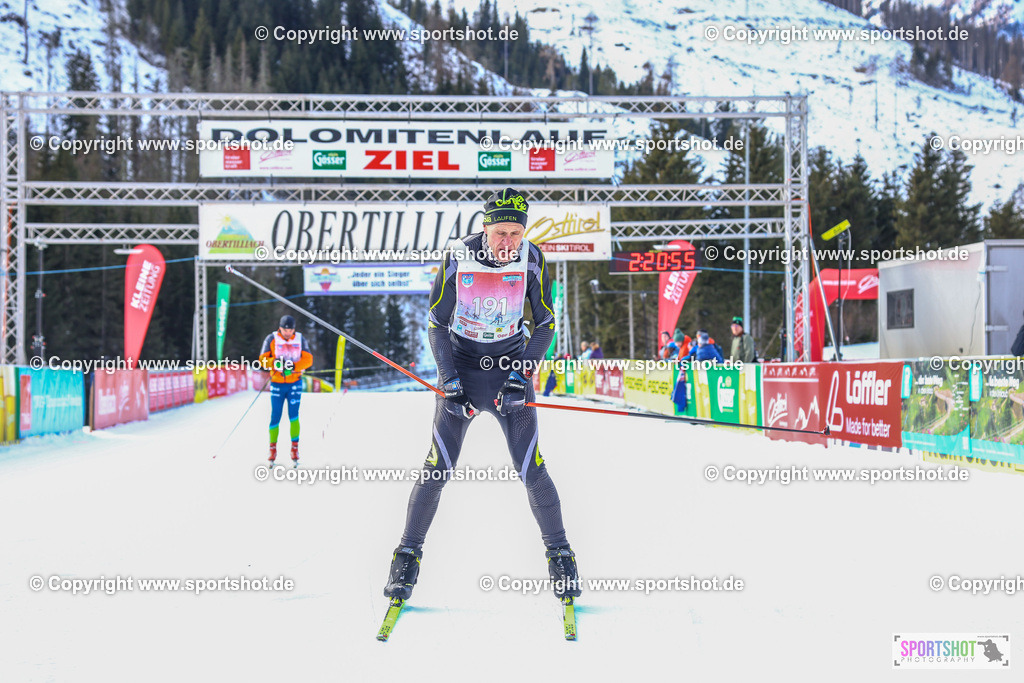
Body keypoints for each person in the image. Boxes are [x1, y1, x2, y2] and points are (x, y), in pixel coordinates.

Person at [384, 188, 581, 605]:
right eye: (500, 233)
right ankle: (406, 557)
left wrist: (520, 376)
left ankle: (561, 556)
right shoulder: (459, 256)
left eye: (516, 233)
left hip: (511, 371)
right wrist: (449, 382)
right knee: (436, 469)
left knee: (532, 469)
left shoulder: (532, 258)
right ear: (484, 227)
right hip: (464, 370)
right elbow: (437, 323)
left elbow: (545, 323)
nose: (508, 243)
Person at [259, 315, 313, 465]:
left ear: (294, 329)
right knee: (275, 416)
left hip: (294, 382)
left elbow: (308, 359)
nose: (288, 333)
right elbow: (262, 360)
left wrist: (295, 366)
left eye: (290, 330)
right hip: (277, 383)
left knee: (293, 416)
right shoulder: (271, 338)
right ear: (280, 328)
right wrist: (274, 362)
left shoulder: (300, 339)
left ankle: (295, 448)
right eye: (285, 330)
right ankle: (272, 448)